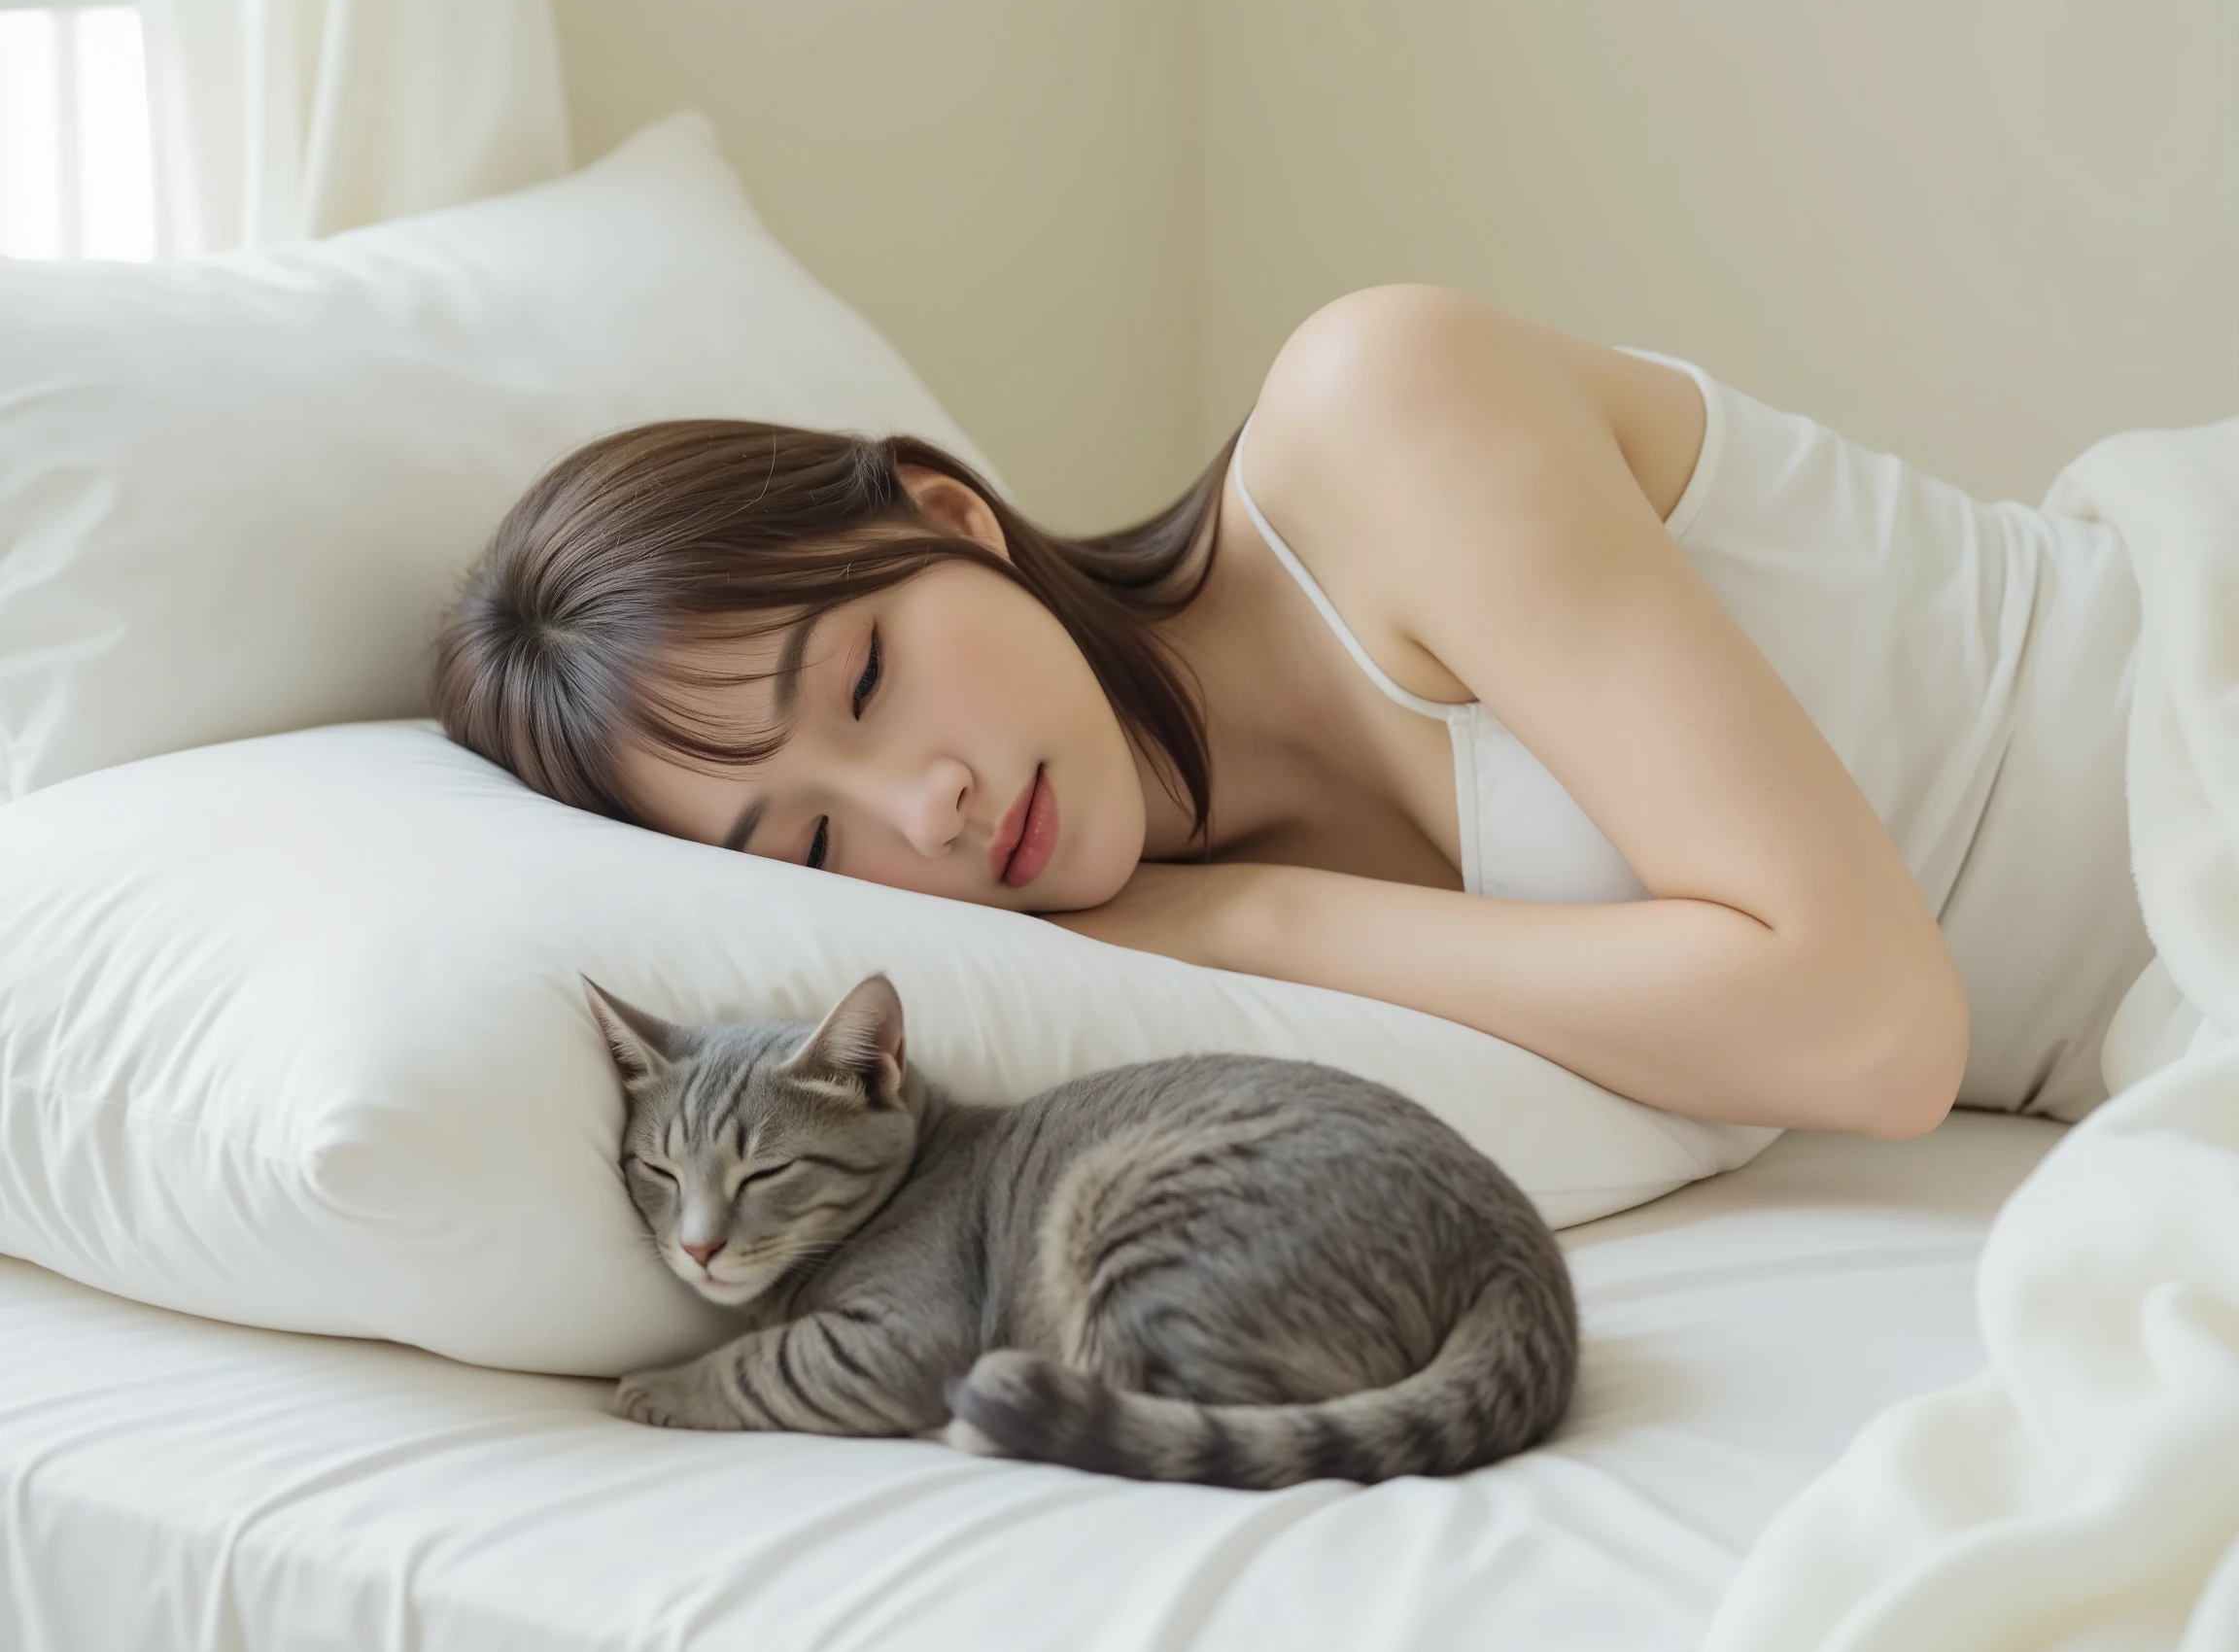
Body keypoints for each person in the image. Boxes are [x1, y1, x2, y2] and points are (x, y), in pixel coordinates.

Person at [434, 287, 2150, 1137]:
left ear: (948, 515)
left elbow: (1870, 1026)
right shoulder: (1077, 982)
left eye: (869, 678)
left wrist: (1246, 912)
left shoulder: (1376, 413)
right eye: (811, 842)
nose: (926, 807)